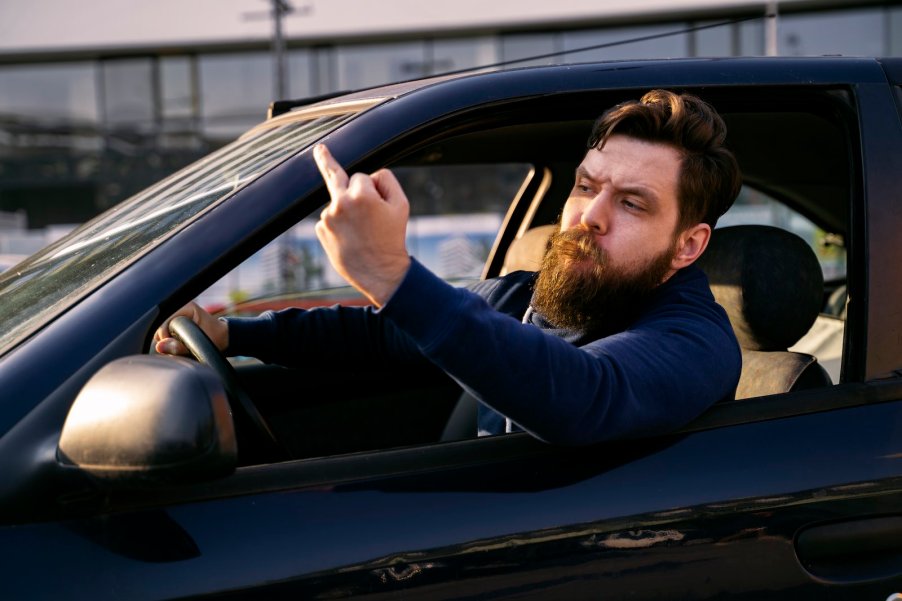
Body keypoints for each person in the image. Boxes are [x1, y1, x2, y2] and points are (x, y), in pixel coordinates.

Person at [155, 89, 743, 446]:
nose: (589, 215)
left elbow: (585, 396)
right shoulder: (528, 297)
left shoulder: (694, 339)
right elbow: (386, 331)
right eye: (585, 187)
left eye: (633, 203)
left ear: (687, 246)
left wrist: (392, 271)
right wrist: (232, 335)